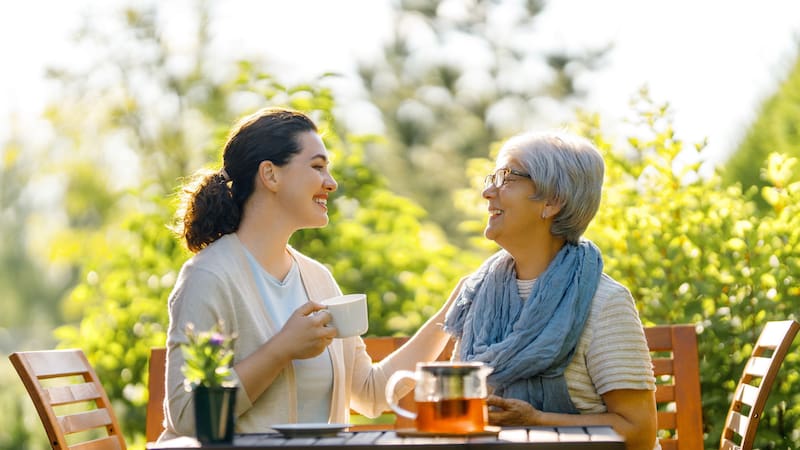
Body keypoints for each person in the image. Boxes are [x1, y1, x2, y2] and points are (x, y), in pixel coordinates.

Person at [160, 107, 456, 440]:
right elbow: (187, 416)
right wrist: (281, 350)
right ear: (270, 175)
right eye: (317, 167)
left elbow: (371, 393)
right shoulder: (208, 277)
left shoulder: (317, 278)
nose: (331, 183)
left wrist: (450, 314)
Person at [443, 131, 658, 450]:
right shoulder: (480, 294)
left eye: (507, 177)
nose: (488, 191)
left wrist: (538, 420)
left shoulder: (605, 302)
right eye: (493, 177)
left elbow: (639, 432)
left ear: (552, 201)